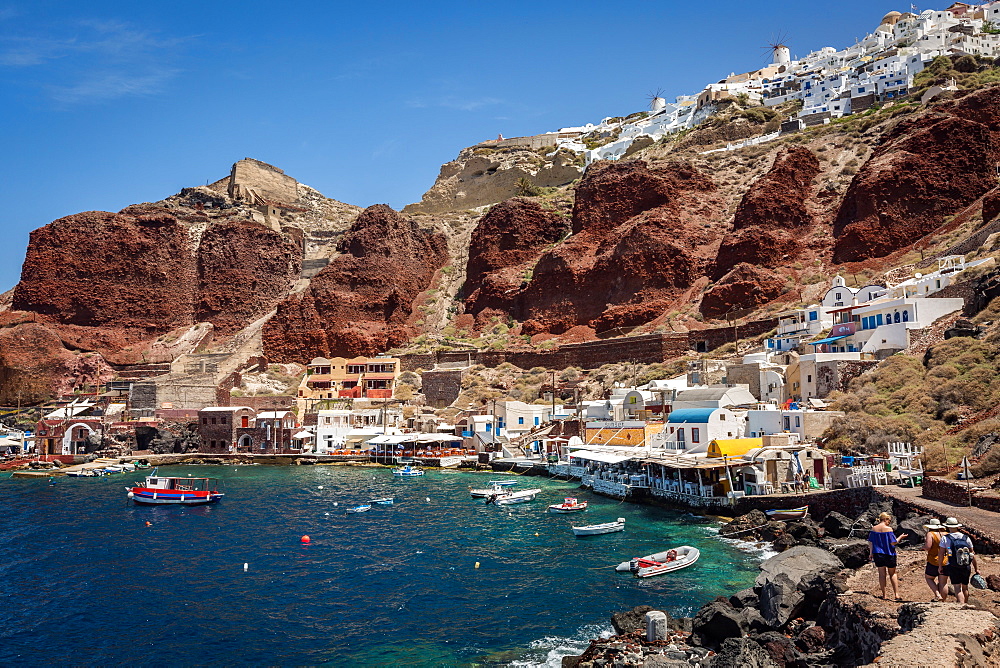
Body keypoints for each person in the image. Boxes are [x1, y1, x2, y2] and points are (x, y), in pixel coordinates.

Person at [938, 517, 979, 604]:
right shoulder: (965, 537)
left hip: (953, 565)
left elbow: (941, 553)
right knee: (965, 587)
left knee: (957, 588)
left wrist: (940, 566)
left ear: (948, 526)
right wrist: (976, 568)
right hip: (966, 565)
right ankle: (966, 604)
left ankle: (962, 606)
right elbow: (972, 553)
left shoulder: (945, 538)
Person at [868, 512, 901, 600]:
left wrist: (871, 553)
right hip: (889, 553)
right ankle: (896, 594)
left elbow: (871, 542)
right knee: (893, 573)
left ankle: (884, 595)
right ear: (885, 519)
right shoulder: (889, 529)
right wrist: (900, 537)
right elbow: (893, 542)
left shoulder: (874, 529)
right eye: (889, 520)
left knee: (882, 575)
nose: (889, 522)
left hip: (877, 554)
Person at [923, 518, 949, 601]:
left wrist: (922, 548)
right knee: (943, 582)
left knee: (929, 578)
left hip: (933, 560)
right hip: (945, 561)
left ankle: (937, 594)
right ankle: (943, 601)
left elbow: (928, 547)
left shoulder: (930, 534)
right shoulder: (946, 534)